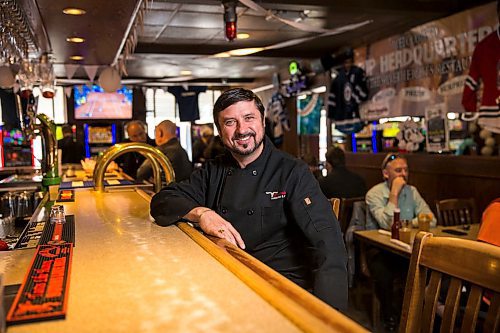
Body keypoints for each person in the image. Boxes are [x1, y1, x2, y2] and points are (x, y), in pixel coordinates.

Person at [150, 88, 348, 310]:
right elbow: (162, 201)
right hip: (226, 280)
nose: (242, 130)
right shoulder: (213, 170)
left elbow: (329, 245)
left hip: (279, 287)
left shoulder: (292, 171)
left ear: (263, 120)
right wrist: (202, 214)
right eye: (230, 122)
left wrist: (328, 318)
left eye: (249, 118)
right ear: (219, 130)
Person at [365, 153, 436, 330]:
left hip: (406, 248)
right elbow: (387, 224)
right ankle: (390, 318)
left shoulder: (412, 192)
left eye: (406, 170)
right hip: (380, 247)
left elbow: (430, 219)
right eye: (398, 170)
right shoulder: (374, 194)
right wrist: (394, 193)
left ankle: (416, 316)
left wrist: (407, 223)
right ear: (386, 174)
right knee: (384, 273)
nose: (403, 174)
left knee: (424, 269)